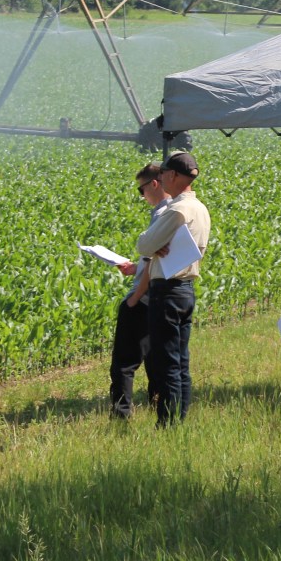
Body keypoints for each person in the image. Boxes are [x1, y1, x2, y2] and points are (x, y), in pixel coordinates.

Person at [134, 151, 211, 424]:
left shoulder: (177, 210)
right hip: (186, 289)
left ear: (174, 176)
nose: (162, 177)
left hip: (166, 290)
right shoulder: (200, 208)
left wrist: (154, 246)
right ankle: (181, 418)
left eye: (165, 172)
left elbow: (144, 245)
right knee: (181, 362)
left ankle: (168, 424)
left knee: (166, 362)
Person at [109, 162, 168, 419]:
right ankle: (159, 409)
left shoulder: (162, 214)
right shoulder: (175, 211)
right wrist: (135, 267)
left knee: (123, 363)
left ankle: (121, 416)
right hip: (159, 296)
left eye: (141, 189)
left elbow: (156, 261)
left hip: (144, 297)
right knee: (156, 361)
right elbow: (154, 257)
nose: (141, 195)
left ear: (154, 184)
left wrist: (134, 297)